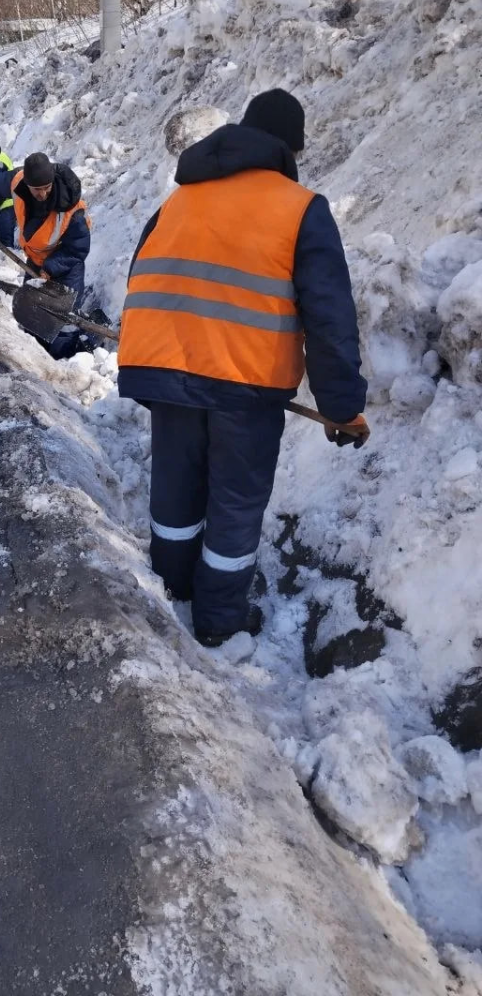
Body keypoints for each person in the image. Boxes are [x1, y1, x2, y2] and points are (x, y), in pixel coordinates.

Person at [117, 89, 369, 649]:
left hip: (165, 364)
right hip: (245, 383)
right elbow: (329, 318)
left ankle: (172, 585)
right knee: (234, 500)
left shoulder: (179, 199)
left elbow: (143, 273)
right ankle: (219, 620)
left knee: (177, 484)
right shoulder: (300, 207)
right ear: (290, 148)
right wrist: (341, 406)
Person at [0, 151, 91, 358]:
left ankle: (63, 363)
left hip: (65, 266)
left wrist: (49, 269)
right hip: (34, 262)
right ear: (27, 184)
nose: (42, 194)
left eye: (46, 188)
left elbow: (78, 248)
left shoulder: (72, 209)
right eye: (36, 189)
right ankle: (36, 358)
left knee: (64, 322)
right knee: (31, 313)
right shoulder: (17, 182)